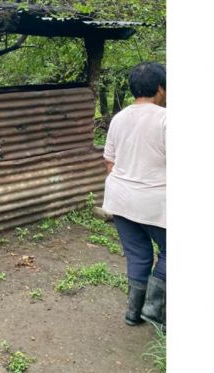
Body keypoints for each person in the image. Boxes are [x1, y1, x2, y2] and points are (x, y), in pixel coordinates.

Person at [102, 62, 166, 331]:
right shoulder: (167, 119)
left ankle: (133, 313)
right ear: (161, 89)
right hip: (156, 203)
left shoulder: (119, 118)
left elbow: (109, 162)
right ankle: (154, 308)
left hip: (120, 198)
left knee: (138, 254)